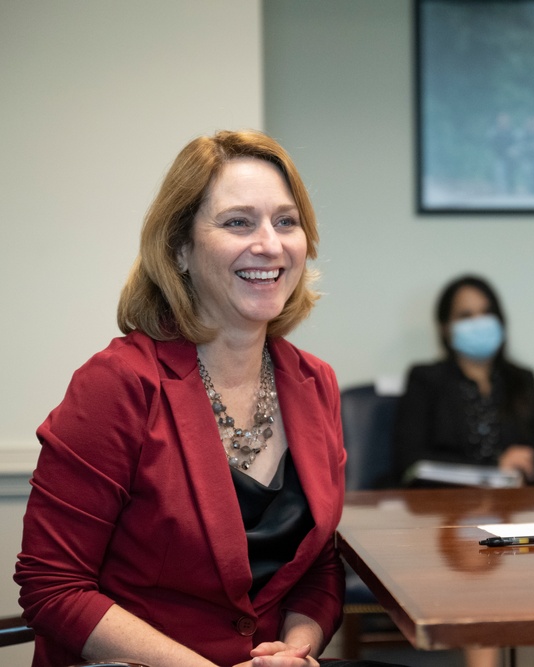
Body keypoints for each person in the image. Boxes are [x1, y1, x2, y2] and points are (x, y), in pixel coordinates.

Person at [15, 130, 402, 667]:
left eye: (286, 221)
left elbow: (318, 568)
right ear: (180, 249)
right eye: (238, 222)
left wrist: (295, 650)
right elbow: (53, 587)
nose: (270, 243)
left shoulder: (316, 383)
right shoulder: (117, 383)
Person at [392, 275, 534, 488]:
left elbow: (533, 461)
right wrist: (494, 467)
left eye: (486, 313)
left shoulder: (522, 380)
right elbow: (409, 460)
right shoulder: (425, 379)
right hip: (441, 509)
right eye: (466, 315)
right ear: (445, 327)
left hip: (509, 508)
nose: (478, 322)